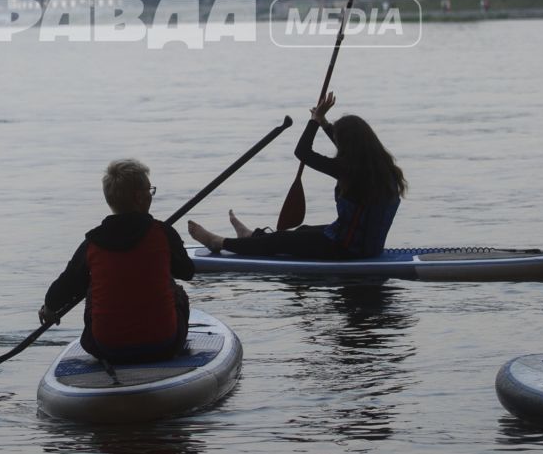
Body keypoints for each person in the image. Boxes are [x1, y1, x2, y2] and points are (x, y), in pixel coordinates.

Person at [187, 92, 406, 260]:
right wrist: (323, 121)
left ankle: (219, 242)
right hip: (367, 247)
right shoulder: (383, 169)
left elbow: (301, 152)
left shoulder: (348, 170)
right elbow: (347, 146)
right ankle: (251, 236)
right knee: (302, 231)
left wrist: (313, 122)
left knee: (282, 240)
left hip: (346, 250)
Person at [39, 159, 194, 364]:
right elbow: (187, 271)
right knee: (177, 291)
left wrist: (49, 307)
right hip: (163, 344)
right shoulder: (163, 233)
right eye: (150, 190)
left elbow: (66, 284)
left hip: (107, 348)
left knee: (92, 288)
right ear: (139, 198)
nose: (151, 195)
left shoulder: (92, 243)